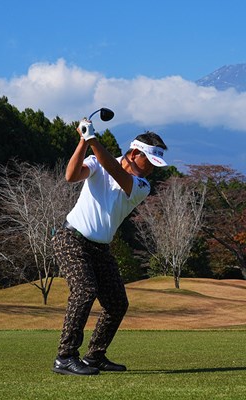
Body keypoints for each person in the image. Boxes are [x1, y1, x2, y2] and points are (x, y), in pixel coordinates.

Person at [51, 118, 168, 376]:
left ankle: (94, 356)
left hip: (100, 248)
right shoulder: (98, 162)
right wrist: (84, 141)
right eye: (149, 162)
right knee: (84, 290)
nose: (151, 170)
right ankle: (65, 356)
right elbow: (71, 176)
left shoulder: (142, 186)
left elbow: (116, 171)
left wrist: (92, 140)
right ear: (135, 153)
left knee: (117, 303)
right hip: (70, 238)